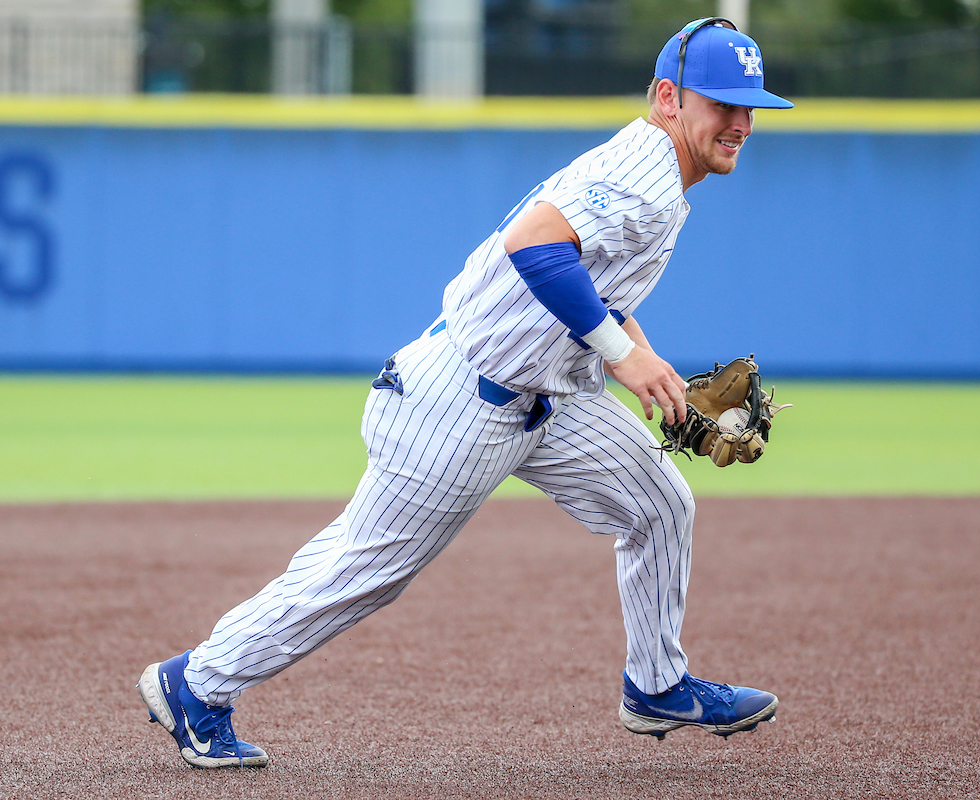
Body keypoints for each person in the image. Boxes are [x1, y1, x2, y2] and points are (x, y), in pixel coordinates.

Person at [138, 17, 795, 768]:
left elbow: (594, 280)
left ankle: (656, 685)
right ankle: (195, 684)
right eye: (724, 103)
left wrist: (651, 363)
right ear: (672, 98)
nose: (742, 123)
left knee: (660, 505)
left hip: (549, 402)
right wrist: (621, 358)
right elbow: (535, 248)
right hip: (459, 403)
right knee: (361, 575)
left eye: (751, 107)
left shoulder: (655, 168)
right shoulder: (647, 170)